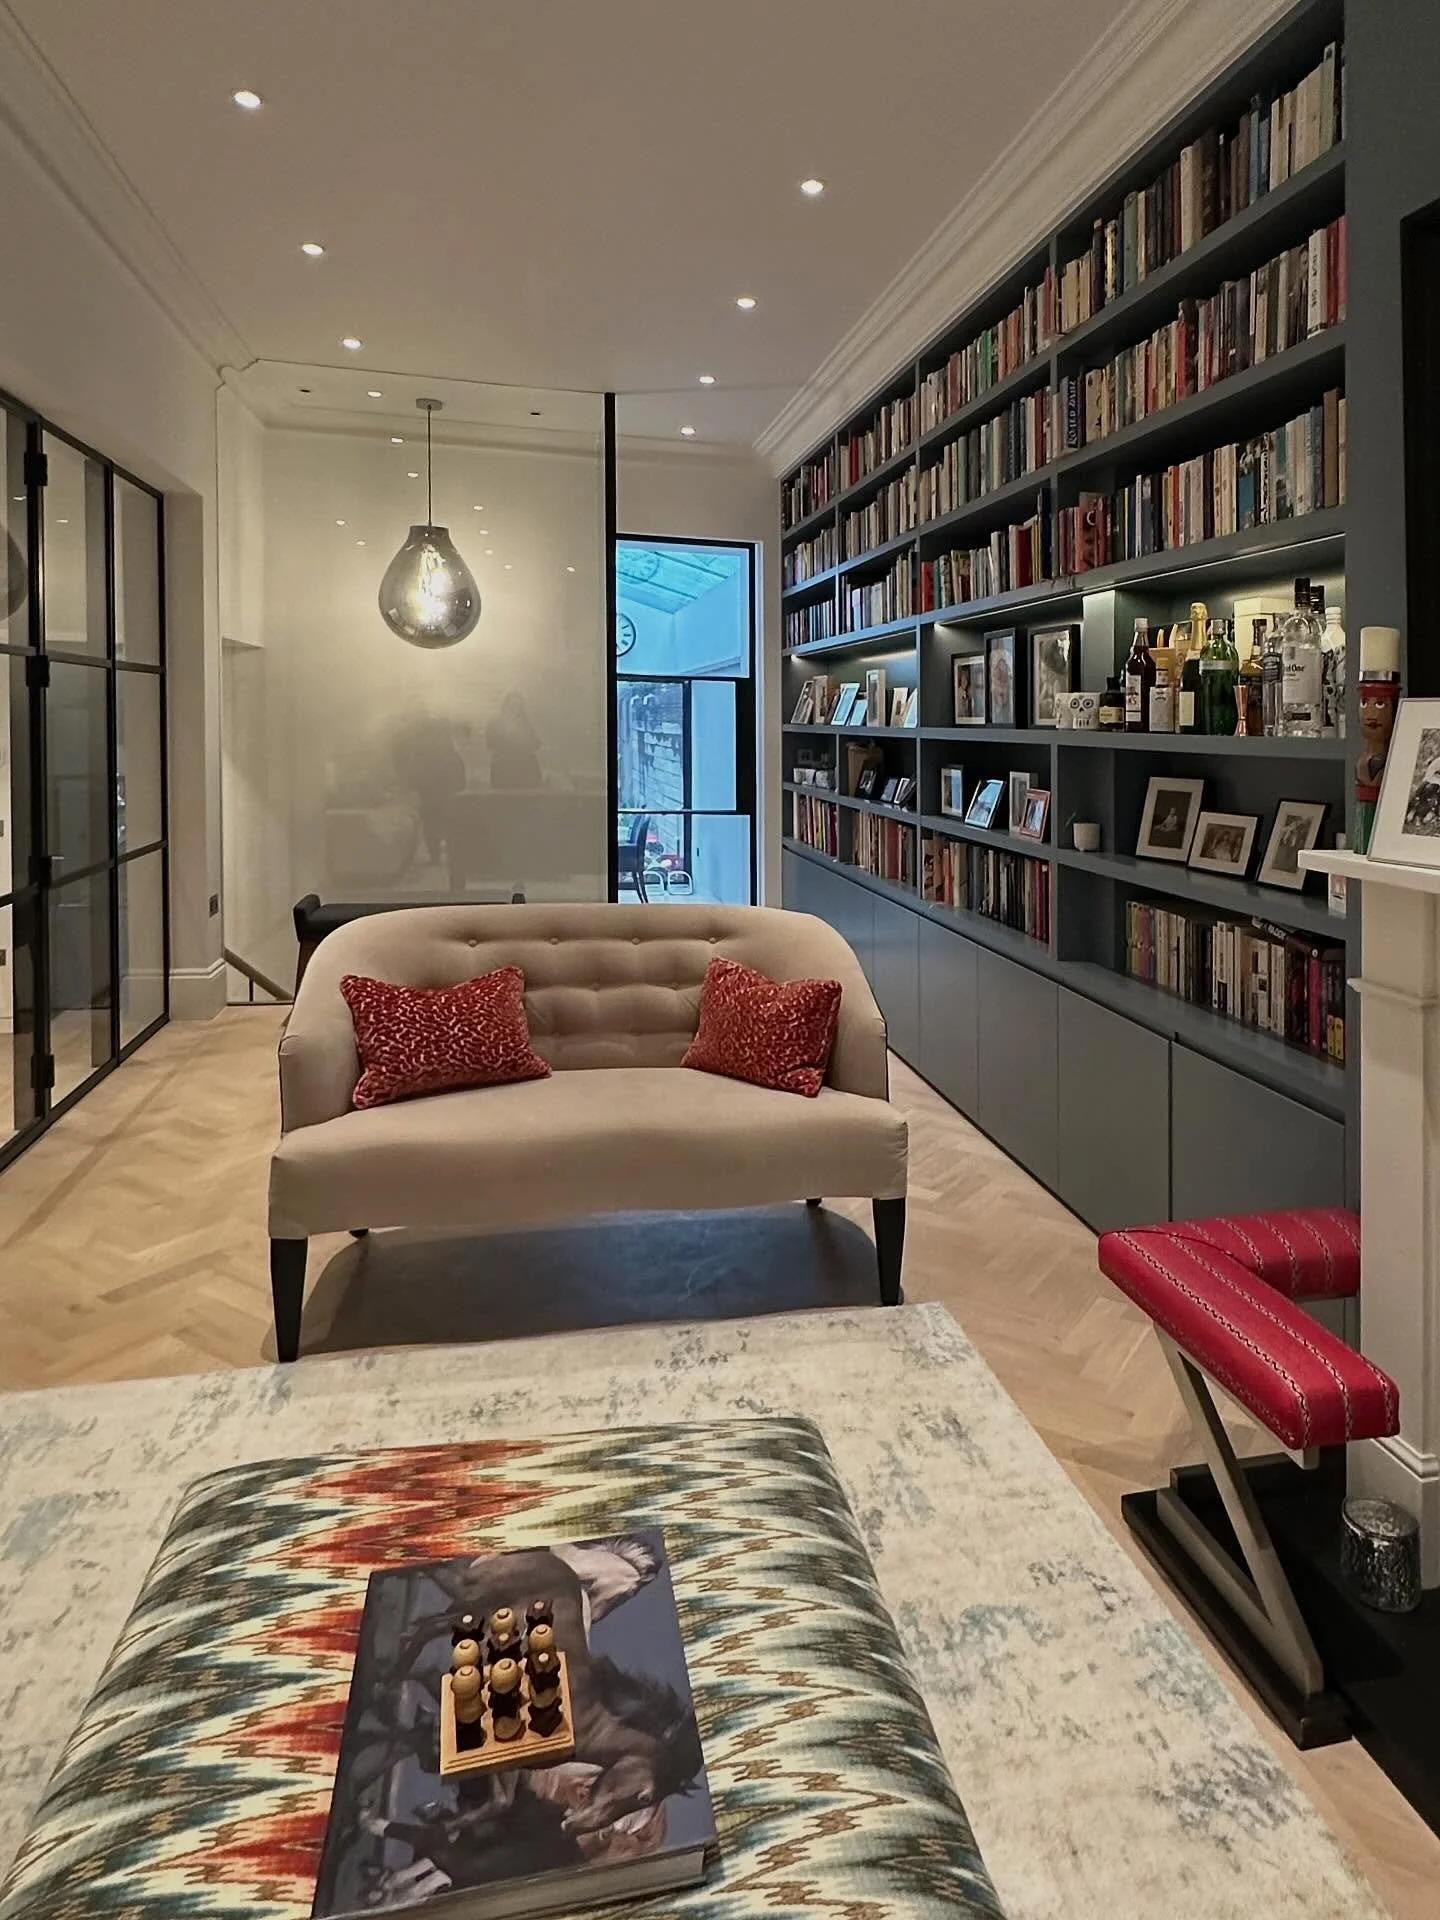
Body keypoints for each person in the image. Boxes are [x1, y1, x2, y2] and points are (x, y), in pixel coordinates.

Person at [488, 691, 542, 789]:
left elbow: (536, 744)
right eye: (511, 706)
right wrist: (506, 734)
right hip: (503, 766)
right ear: (505, 707)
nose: (514, 709)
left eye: (517, 706)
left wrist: (523, 739)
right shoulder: (495, 724)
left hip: (524, 767)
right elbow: (491, 744)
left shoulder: (526, 724)